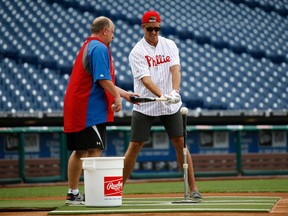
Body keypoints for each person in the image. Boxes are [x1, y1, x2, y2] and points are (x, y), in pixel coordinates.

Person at [123, 11, 202, 200]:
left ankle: (194, 189)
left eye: (156, 28)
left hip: (170, 105)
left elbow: (175, 69)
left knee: (181, 143)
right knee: (135, 145)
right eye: (149, 28)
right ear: (143, 27)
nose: (153, 32)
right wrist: (164, 95)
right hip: (147, 104)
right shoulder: (137, 51)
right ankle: (116, 190)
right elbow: (145, 80)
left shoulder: (170, 45)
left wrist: (175, 92)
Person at [63, 16, 137, 205]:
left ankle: (72, 193)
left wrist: (126, 94)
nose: (113, 36)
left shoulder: (89, 45)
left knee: (79, 150)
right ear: (105, 30)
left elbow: (102, 81)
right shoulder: (99, 47)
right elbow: (103, 80)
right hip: (89, 110)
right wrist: (117, 97)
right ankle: (93, 195)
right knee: (94, 149)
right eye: (112, 32)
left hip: (78, 106)